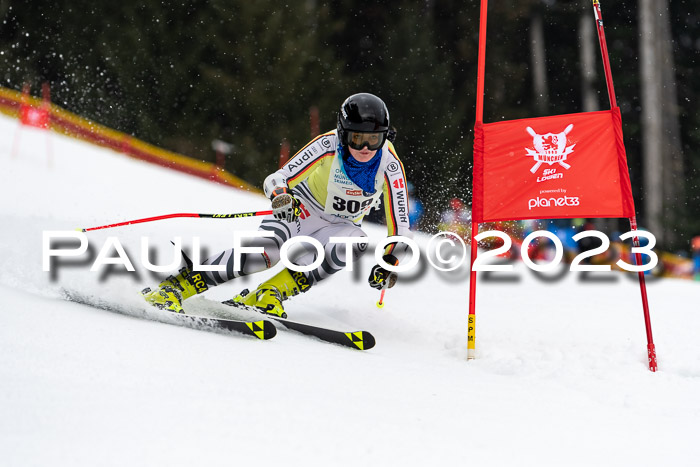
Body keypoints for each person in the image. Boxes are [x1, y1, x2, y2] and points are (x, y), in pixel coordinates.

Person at [141, 93, 411, 317]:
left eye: (374, 140)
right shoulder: (328, 145)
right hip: (301, 209)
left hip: (340, 226)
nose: (365, 148)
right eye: (357, 139)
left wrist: (390, 260)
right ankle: (178, 286)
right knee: (266, 252)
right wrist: (281, 195)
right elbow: (278, 177)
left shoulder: (389, 165)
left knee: (355, 243)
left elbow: (401, 227)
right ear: (343, 134)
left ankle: (269, 293)